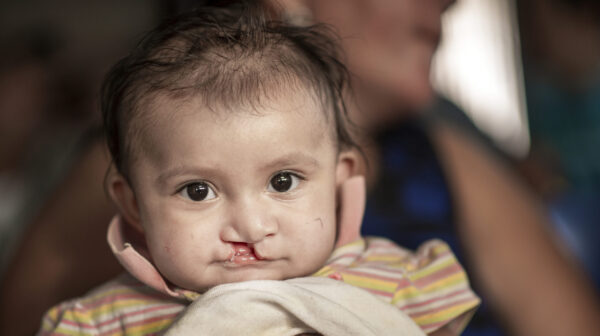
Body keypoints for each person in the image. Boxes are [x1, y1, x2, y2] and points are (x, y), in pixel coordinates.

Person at [38, 4, 479, 335]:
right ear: (133, 203)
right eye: (197, 191)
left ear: (340, 178)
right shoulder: (105, 320)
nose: (249, 227)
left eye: (282, 182)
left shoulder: (397, 279)